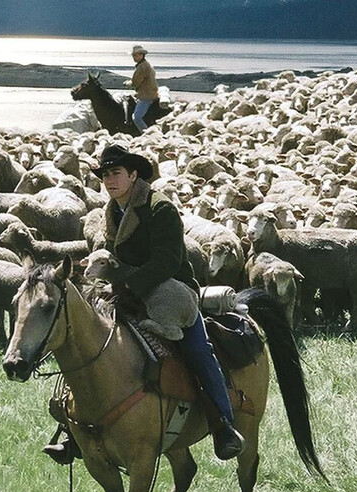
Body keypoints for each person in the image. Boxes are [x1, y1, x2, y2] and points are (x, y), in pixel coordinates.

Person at [43, 144, 245, 465]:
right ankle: (74, 429)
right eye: (106, 174)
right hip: (126, 290)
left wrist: (130, 287)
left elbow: (168, 260)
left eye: (116, 173)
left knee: (198, 351)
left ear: (133, 175)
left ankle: (223, 424)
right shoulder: (112, 210)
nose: (110, 180)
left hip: (171, 291)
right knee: (87, 341)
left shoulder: (159, 207)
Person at [124, 45, 159, 133]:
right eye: (134, 55)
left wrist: (127, 83)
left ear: (141, 55)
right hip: (151, 92)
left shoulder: (142, 67)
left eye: (136, 55)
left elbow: (135, 83)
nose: (134, 57)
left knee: (136, 118)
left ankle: (147, 134)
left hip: (146, 96)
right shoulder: (147, 65)